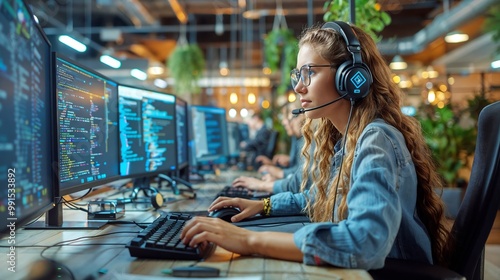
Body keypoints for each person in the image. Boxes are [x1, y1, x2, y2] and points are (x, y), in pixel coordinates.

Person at [181, 21, 450, 270]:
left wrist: (249, 240)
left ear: (350, 77)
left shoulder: (376, 140)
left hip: (391, 273)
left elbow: (364, 243)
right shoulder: (348, 139)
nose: (298, 87)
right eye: (298, 74)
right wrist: (263, 206)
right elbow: (321, 198)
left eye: (309, 72)